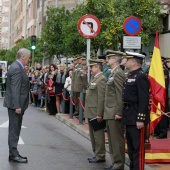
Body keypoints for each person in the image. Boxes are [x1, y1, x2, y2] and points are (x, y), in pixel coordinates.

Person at [122, 51, 150, 170]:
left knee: (137, 149)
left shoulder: (141, 76)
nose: (125, 62)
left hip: (136, 116)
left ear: (133, 62)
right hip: (129, 115)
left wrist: (140, 118)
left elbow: (143, 99)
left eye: (127, 60)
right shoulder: (130, 75)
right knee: (131, 148)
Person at [3, 48, 31, 163]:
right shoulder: (17, 68)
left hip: (17, 104)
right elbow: (15, 89)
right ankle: (13, 154)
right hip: (16, 105)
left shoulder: (16, 67)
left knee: (16, 128)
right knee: (14, 130)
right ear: (23, 57)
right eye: (28, 57)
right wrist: (17, 106)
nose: (29, 60)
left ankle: (14, 153)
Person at [103, 51, 125, 170]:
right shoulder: (113, 72)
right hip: (109, 110)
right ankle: (114, 161)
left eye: (109, 58)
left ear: (115, 60)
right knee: (111, 139)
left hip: (114, 111)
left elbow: (120, 94)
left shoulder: (118, 73)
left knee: (116, 139)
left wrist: (119, 112)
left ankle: (119, 163)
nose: (107, 60)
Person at [84, 59, 106, 163]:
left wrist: (99, 113)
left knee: (98, 135)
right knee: (93, 135)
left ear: (97, 68)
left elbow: (101, 98)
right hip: (90, 111)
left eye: (92, 67)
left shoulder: (101, 79)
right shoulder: (94, 78)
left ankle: (100, 155)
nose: (90, 69)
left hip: (96, 112)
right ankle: (96, 153)